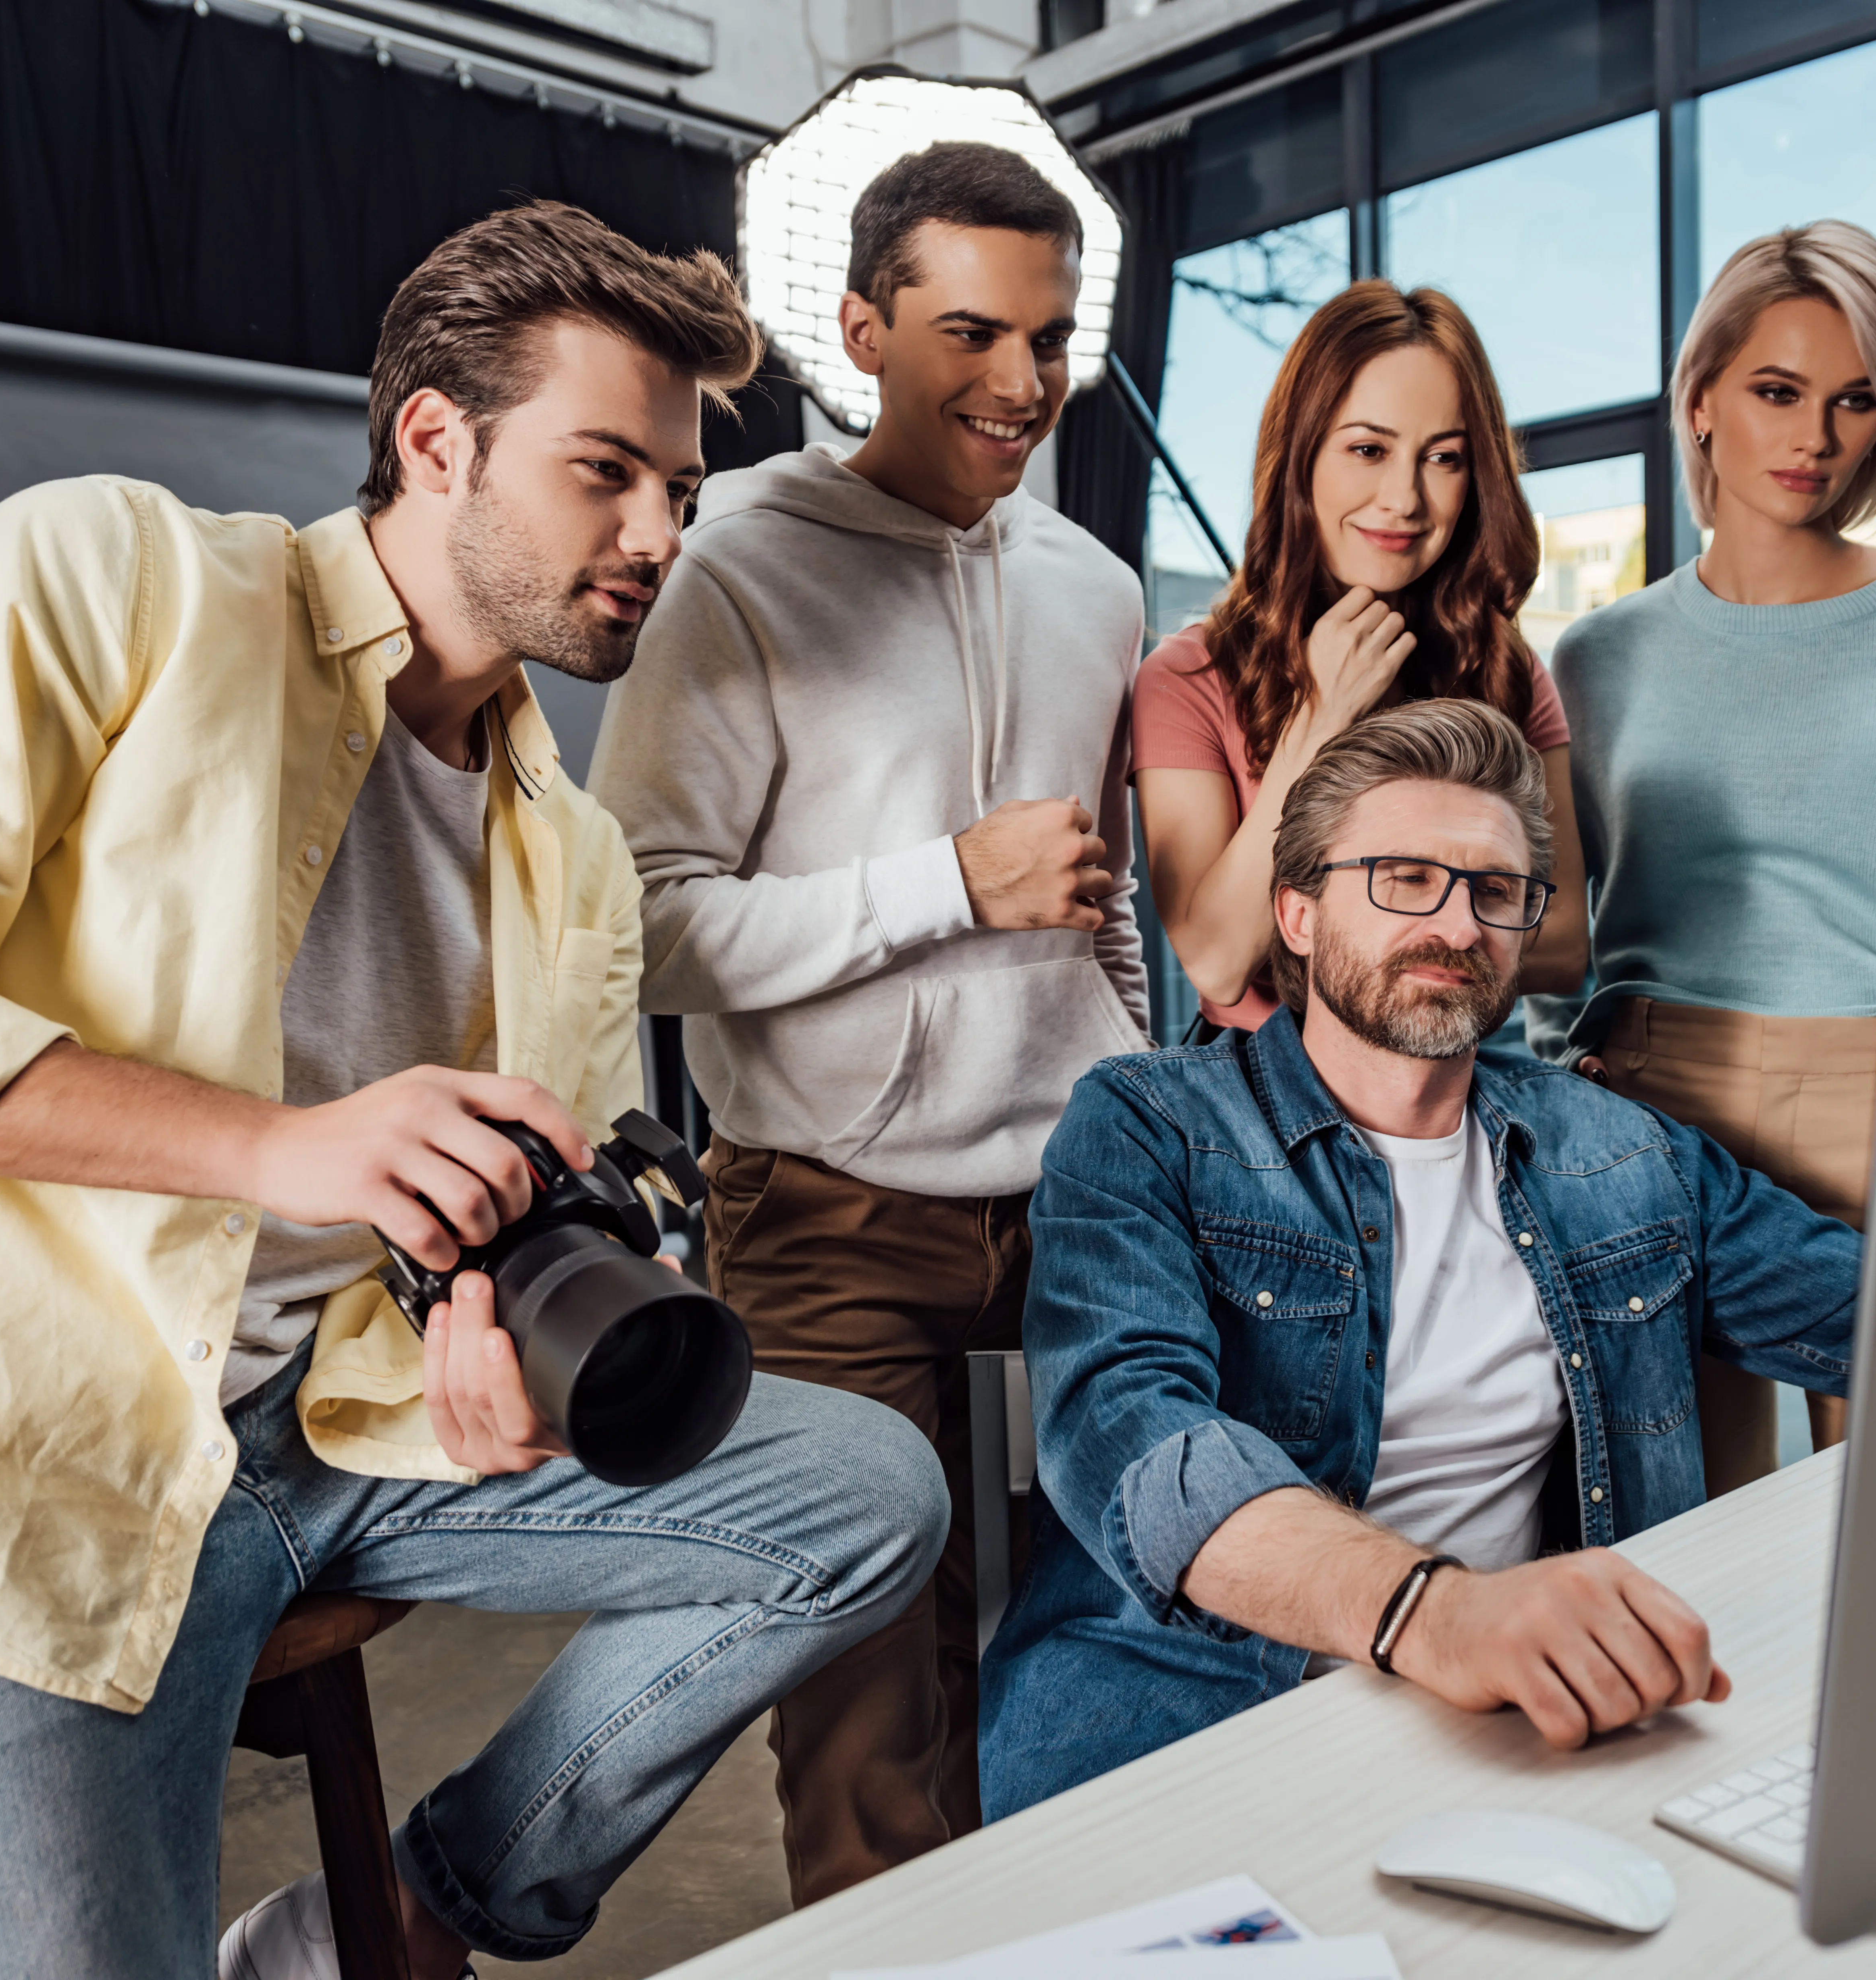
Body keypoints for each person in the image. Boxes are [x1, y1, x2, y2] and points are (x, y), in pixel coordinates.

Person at [0, 202, 949, 1980]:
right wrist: (283, 1149)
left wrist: (500, 1339)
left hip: (331, 1433)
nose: (662, 534)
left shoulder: (571, 854)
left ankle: (421, 1915)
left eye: (679, 488)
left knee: (864, 1493)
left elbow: (511, 1213)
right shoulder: (107, 578)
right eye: (607, 473)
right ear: (436, 438)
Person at [979, 699, 1858, 1815]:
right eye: (1403, 878)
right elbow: (1136, 1439)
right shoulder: (1152, 1126)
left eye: (1495, 891)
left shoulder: (1620, 1150)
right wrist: (1434, 1612)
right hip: (1188, 1726)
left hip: (1517, 1730)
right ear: (1296, 913)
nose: (1456, 924)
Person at [589, 141, 1147, 1901]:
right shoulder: (735, 563)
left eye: (1049, 340)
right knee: (864, 1705)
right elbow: (643, 930)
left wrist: (1146, 1091)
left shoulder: (1097, 586)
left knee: (1107, 1640)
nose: (1020, 384)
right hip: (825, 1209)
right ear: (858, 327)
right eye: (972, 332)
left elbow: (1097, 900)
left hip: (1079, 1193)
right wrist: (943, 887)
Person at [1537, 220, 1876, 1495]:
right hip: (1656, 1093)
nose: (1815, 437)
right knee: (1682, 1519)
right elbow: (1560, 929)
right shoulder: (1600, 657)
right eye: (1777, 392)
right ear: (1702, 400)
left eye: (1855, 401)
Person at [1132, 280, 1587, 1034]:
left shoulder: (1506, 667)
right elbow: (1216, 959)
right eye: (1369, 450)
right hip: (1258, 1100)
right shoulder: (1187, 679)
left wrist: (1333, 935)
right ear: (1301, 457)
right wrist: (1321, 715)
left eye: (1443, 459)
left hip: (1458, 1085)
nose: (1404, 498)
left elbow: (1565, 943)